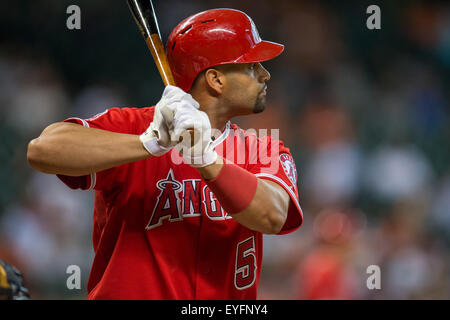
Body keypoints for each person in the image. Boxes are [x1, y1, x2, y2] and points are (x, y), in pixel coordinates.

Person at [27, 8, 303, 299]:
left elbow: (272, 216)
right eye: (251, 66)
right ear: (216, 80)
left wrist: (206, 159)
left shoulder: (261, 148)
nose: (265, 75)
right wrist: (147, 144)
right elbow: (42, 150)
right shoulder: (136, 127)